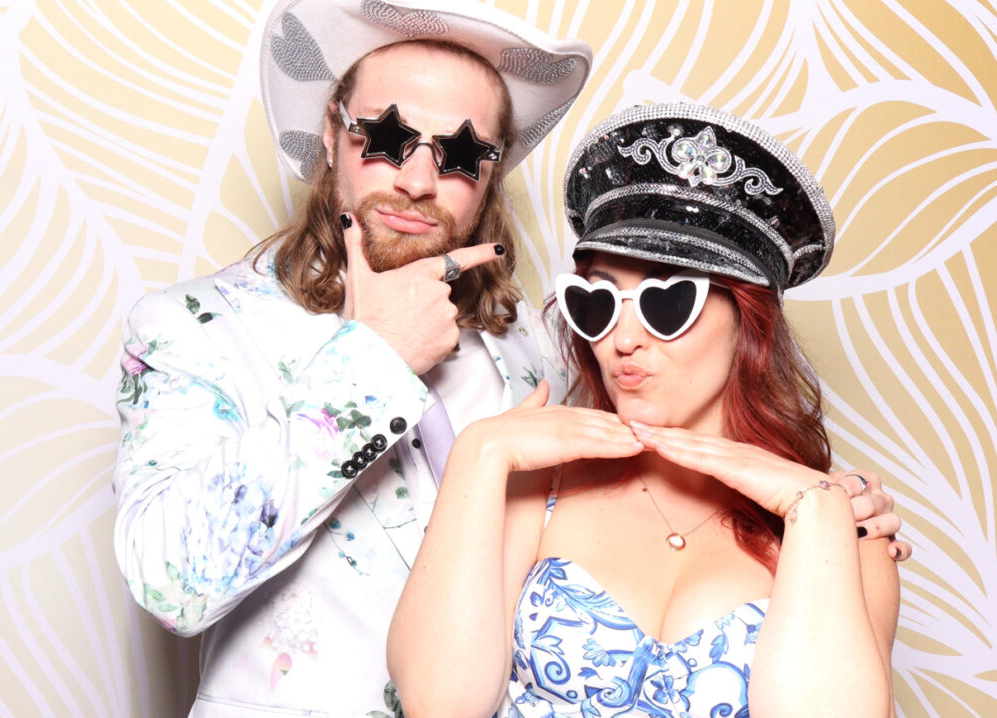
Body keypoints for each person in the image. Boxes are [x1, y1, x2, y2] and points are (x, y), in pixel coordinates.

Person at [112, 1, 592, 715]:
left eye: (460, 155)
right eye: (391, 137)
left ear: (489, 175)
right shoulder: (193, 328)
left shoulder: (540, 350)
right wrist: (376, 359)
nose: (419, 181)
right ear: (334, 133)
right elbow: (169, 582)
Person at [387, 103, 901, 717]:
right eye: (600, 301)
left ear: (749, 324)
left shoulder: (845, 529)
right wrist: (481, 452)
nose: (623, 339)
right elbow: (438, 706)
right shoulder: (534, 488)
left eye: (666, 301)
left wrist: (814, 508)